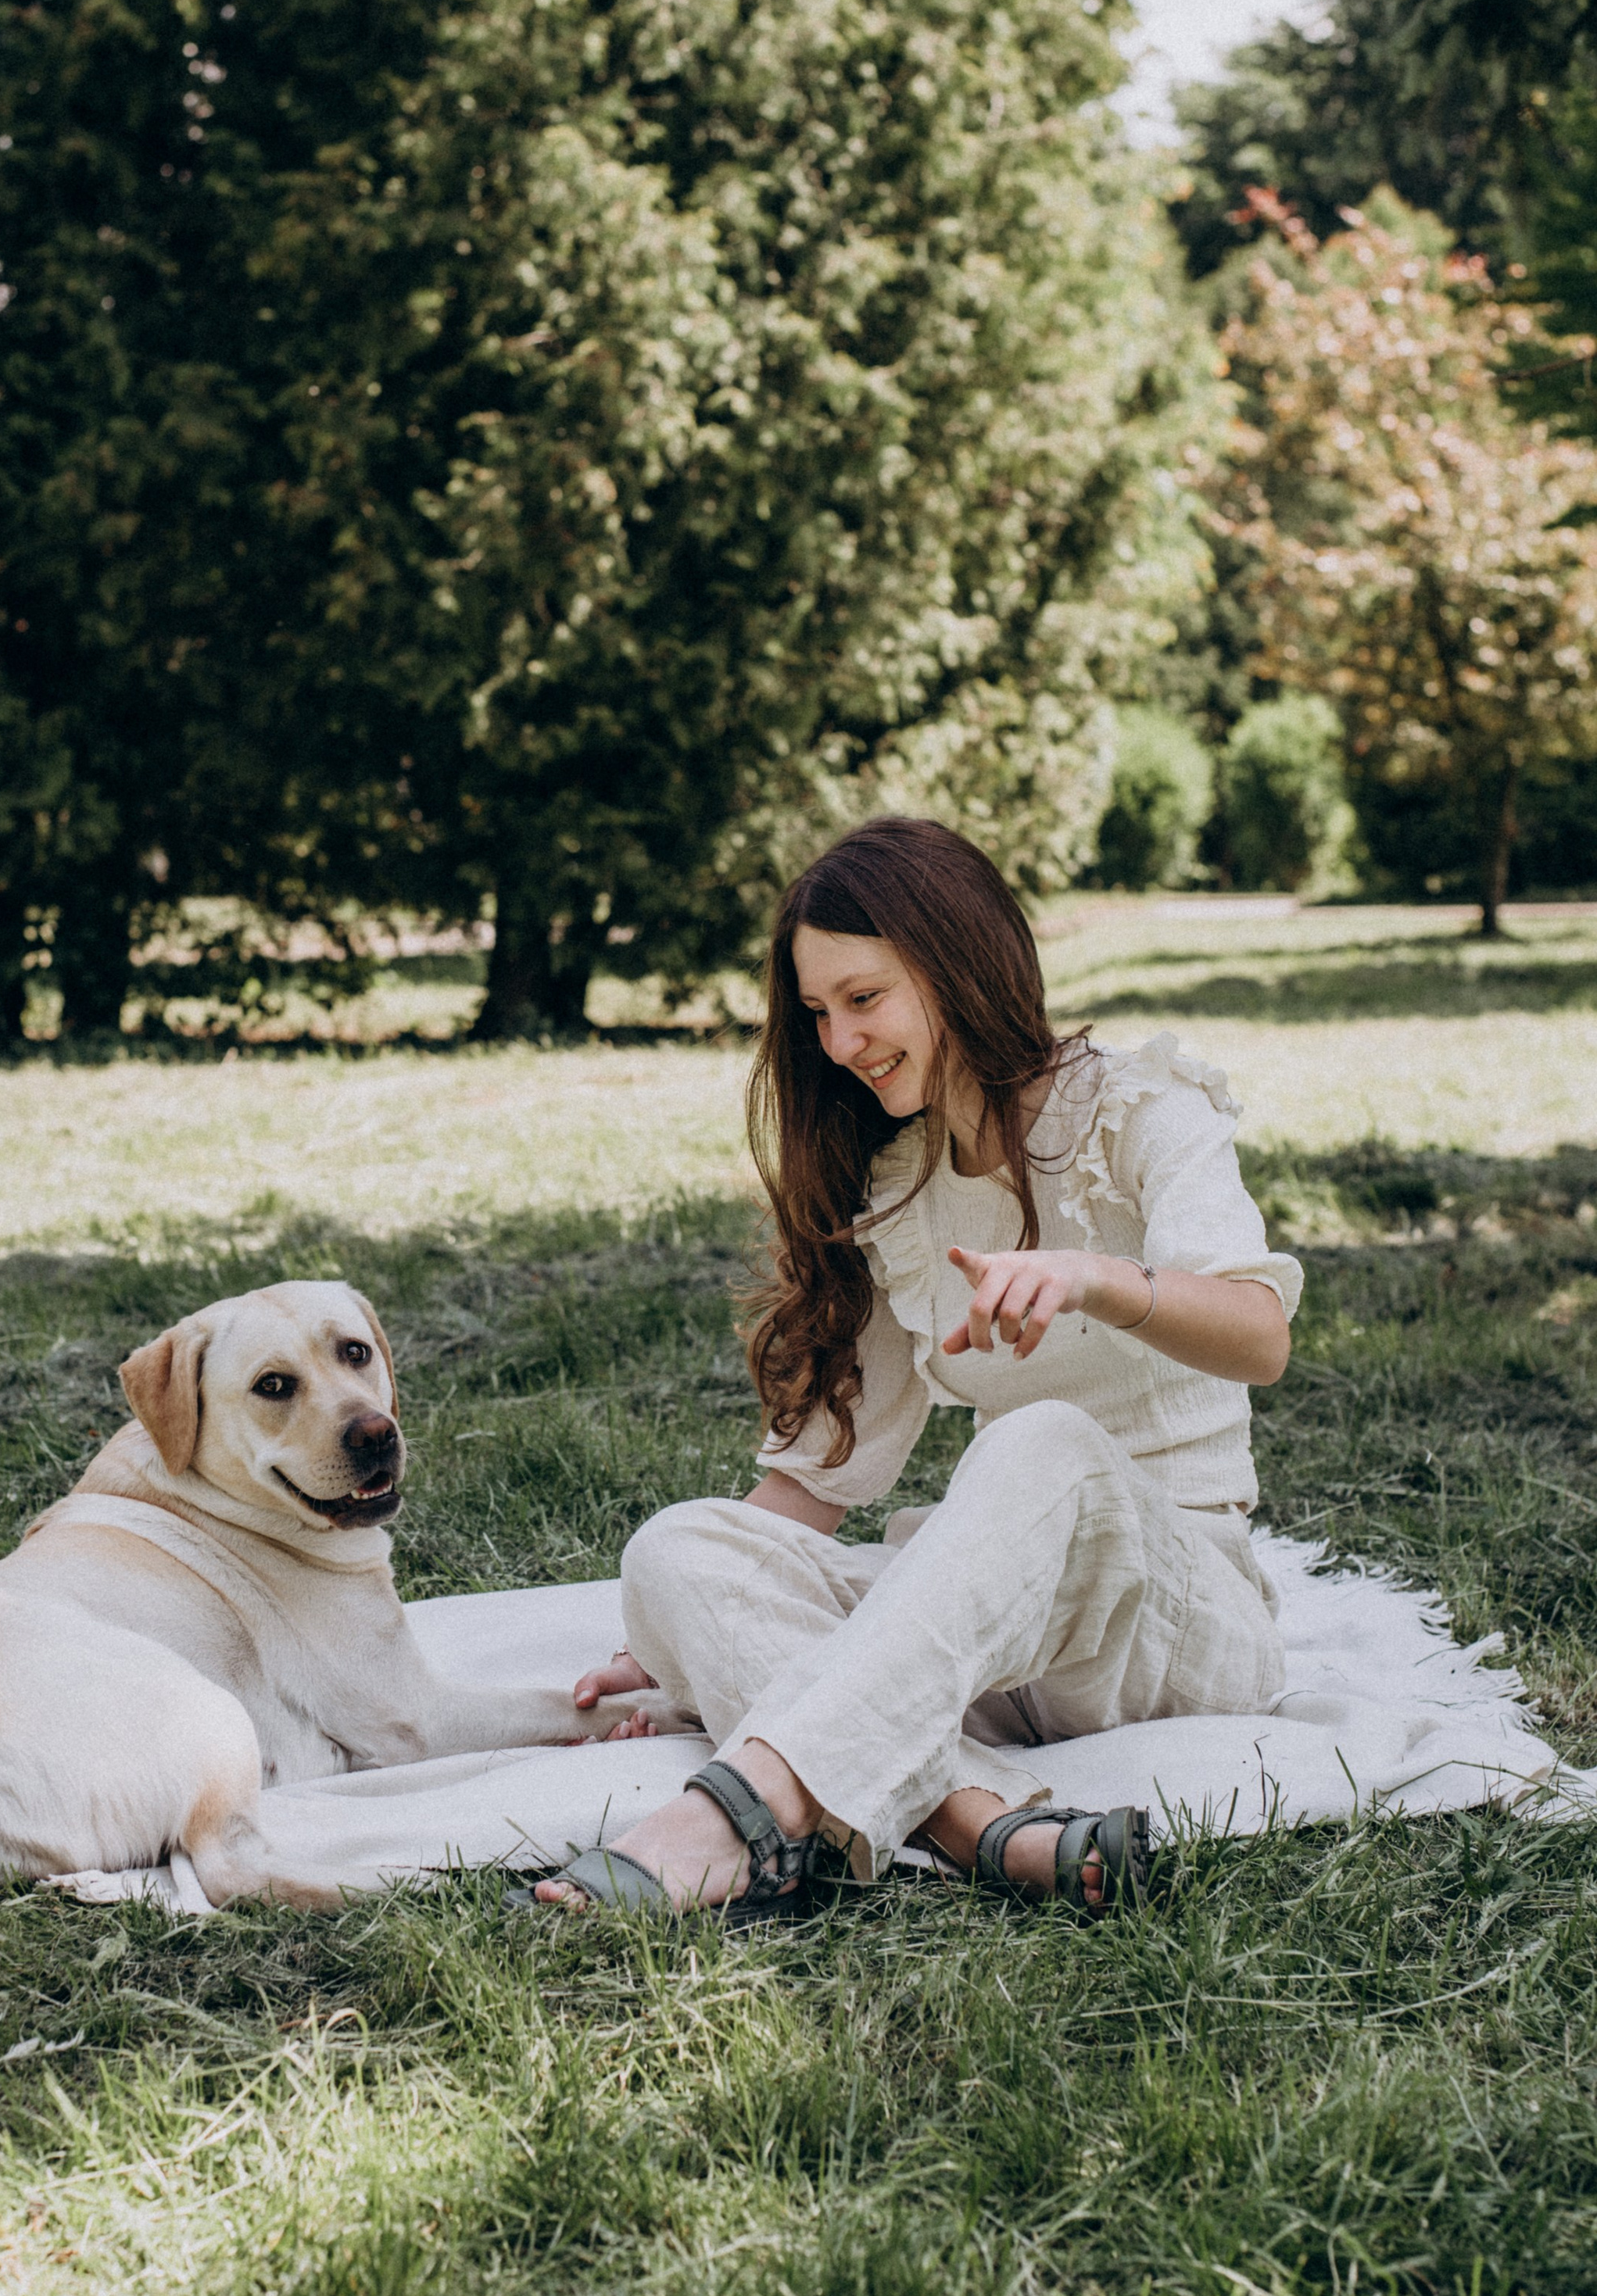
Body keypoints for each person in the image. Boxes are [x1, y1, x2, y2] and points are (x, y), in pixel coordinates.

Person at [519, 816, 1302, 1926]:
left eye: (864, 998)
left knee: (1040, 1443)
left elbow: (1259, 1332)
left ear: (954, 962)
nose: (838, 1043)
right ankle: (982, 1828)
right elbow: (821, 1483)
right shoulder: (898, 1181)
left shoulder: (1141, 1109)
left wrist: (1099, 1279)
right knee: (678, 1548)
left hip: (1174, 1624)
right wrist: (678, 1627)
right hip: (996, 1647)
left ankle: (740, 1807)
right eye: (818, 1014)